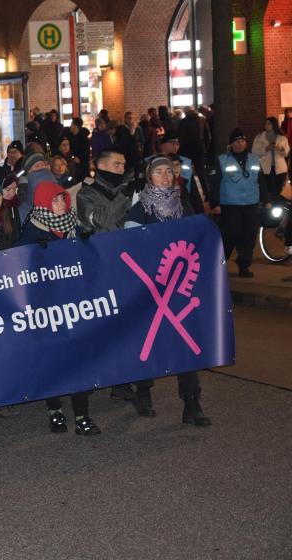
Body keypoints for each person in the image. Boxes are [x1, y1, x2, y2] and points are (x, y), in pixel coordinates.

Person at [123, 156, 212, 426]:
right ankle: (144, 391)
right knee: (148, 342)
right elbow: (132, 246)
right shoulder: (140, 210)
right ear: (149, 176)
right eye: (159, 172)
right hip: (150, 286)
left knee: (185, 341)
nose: (165, 176)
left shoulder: (182, 205)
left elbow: (197, 236)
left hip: (180, 286)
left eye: (169, 172)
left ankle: (191, 402)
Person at [17, 182, 100, 435]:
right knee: (52, 361)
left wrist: (89, 244)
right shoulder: (32, 231)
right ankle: (55, 410)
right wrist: (35, 255)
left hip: (74, 305)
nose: (61, 205)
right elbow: (19, 270)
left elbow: (90, 264)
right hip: (47, 309)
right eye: (54, 201)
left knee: (78, 360)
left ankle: (82, 416)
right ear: (43, 203)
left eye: (62, 199)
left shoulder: (74, 226)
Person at [208, 128, 266, 278]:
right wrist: (215, 203)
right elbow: (215, 183)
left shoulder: (254, 159)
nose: (240, 144)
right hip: (230, 205)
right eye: (236, 141)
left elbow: (261, 181)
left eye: (242, 141)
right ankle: (218, 264)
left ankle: (244, 265)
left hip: (251, 205)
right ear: (231, 144)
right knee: (229, 236)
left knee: (248, 237)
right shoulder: (222, 159)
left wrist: (266, 199)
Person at [76, 151, 132, 235]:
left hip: (128, 243)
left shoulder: (125, 189)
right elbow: (99, 221)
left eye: (123, 165)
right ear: (101, 166)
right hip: (101, 245)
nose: (122, 170)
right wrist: (123, 196)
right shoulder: (85, 194)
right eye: (116, 165)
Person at [252, 117, 290, 200]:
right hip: (266, 169)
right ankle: (270, 207)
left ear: (274, 124)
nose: (266, 125)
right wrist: (266, 149)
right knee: (270, 190)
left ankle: (280, 207)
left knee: (280, 191)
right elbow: (254, 152)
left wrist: (279, 148)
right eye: (265, 123)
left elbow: (286, 153)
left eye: (268, 123)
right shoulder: (259, 138)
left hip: (280, 169)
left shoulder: (282, 138)